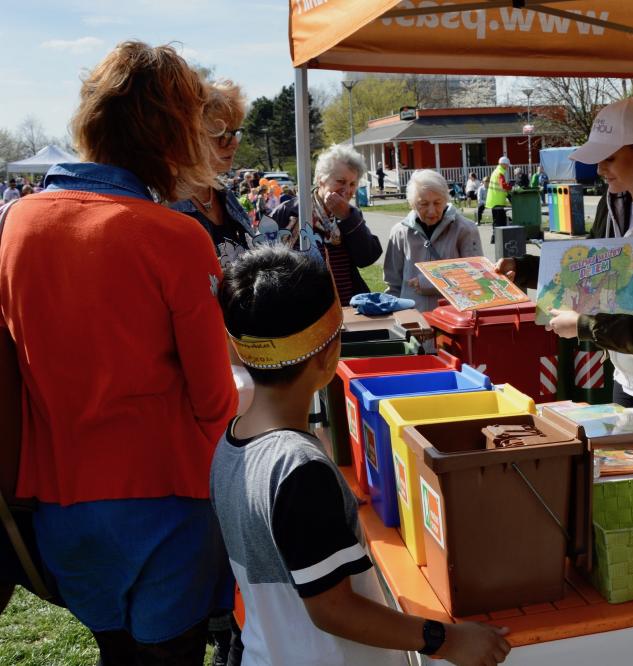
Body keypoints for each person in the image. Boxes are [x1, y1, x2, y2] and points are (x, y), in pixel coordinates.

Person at [0, 41, 236, 665]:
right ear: (172, 131)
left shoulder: (16, 223)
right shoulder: (174, 236)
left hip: (58, 504)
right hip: (166, 503)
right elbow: (214, 400)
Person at [213, 245, 511, 666]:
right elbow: (333, 609)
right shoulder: (299, 470)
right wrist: (446, 639)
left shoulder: (230, 444)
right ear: (328, 353)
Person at [500, 98, 633, 423]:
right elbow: (586, 272)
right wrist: (523, 269)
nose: (600, 169)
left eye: (610, 158)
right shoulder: (612, 205)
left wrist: (585, 326)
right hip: (626, 381)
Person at [270, 144, 383, 301]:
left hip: (345, 305)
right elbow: (263, 259)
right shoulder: (289, 212)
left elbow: (366, 258)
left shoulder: (351, 215)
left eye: (352, 184)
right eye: (340, 181)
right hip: (300, 308)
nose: (346, 190)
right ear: (320, 180)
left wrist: (347, 218)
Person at [171, 79, 255, 270]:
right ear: (190, 139)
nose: (234, 143)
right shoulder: (165, 202)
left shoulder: (224, 196)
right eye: (223, 135)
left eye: (236, 133)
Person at [383, 170, 483, 312]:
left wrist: (428, 283)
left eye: (437, 203)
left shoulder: (465, 229)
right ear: (412, 204)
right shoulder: (400, 232)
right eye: (423, 204)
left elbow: (476, 277)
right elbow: (393, 284)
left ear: (446, 200)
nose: (431, 211)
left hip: (452, 320)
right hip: (413, 321)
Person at [485, 156, 513, 229]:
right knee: (500, 223)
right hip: (498, 202)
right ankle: (495, 239)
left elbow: (500, 188)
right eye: (507, 165)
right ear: (503, 164)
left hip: (494, 201)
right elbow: (503, 185)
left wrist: (507, 194)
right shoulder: (500, 173)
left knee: (497, 222)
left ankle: (495, 239)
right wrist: (512, 188)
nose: (507, 167)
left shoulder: (496, 171)